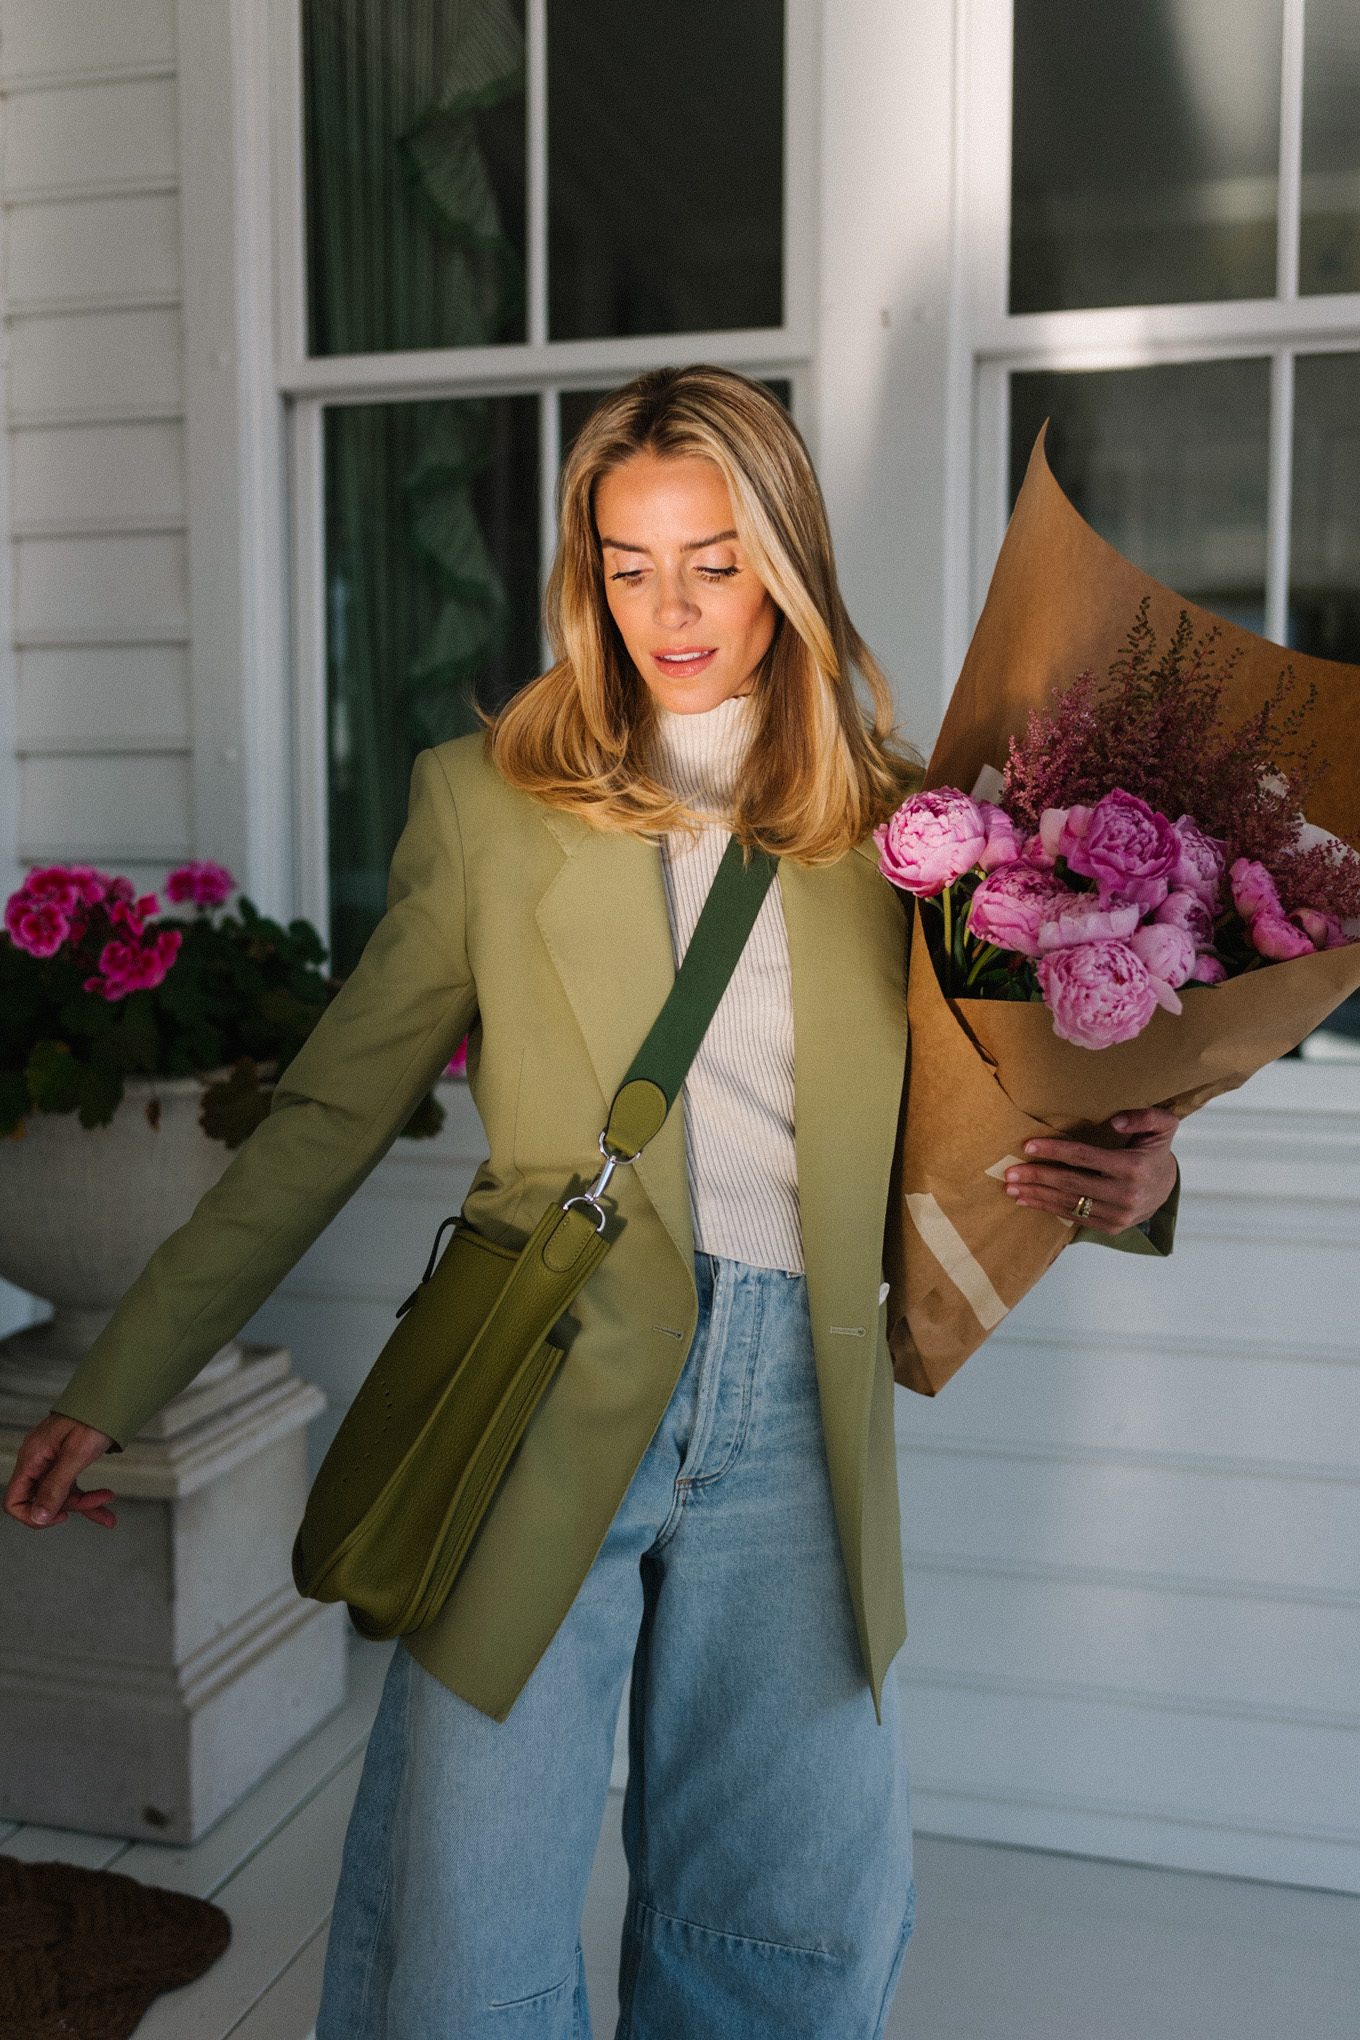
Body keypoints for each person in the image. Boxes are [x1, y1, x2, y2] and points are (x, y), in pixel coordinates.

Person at [4, 366, 1180, 2037]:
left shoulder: (919, 834)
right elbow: (329, 1115)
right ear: (584, 572)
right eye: (629, 565)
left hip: (796, 1410)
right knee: (469, 1929)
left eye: (712, 559)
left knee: (779, 1922)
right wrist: (123, 1380)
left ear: (786, 559)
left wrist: (1137, 1174)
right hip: (539, 1382)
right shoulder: (486, 799)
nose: (671, 609)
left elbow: (997, 1112)